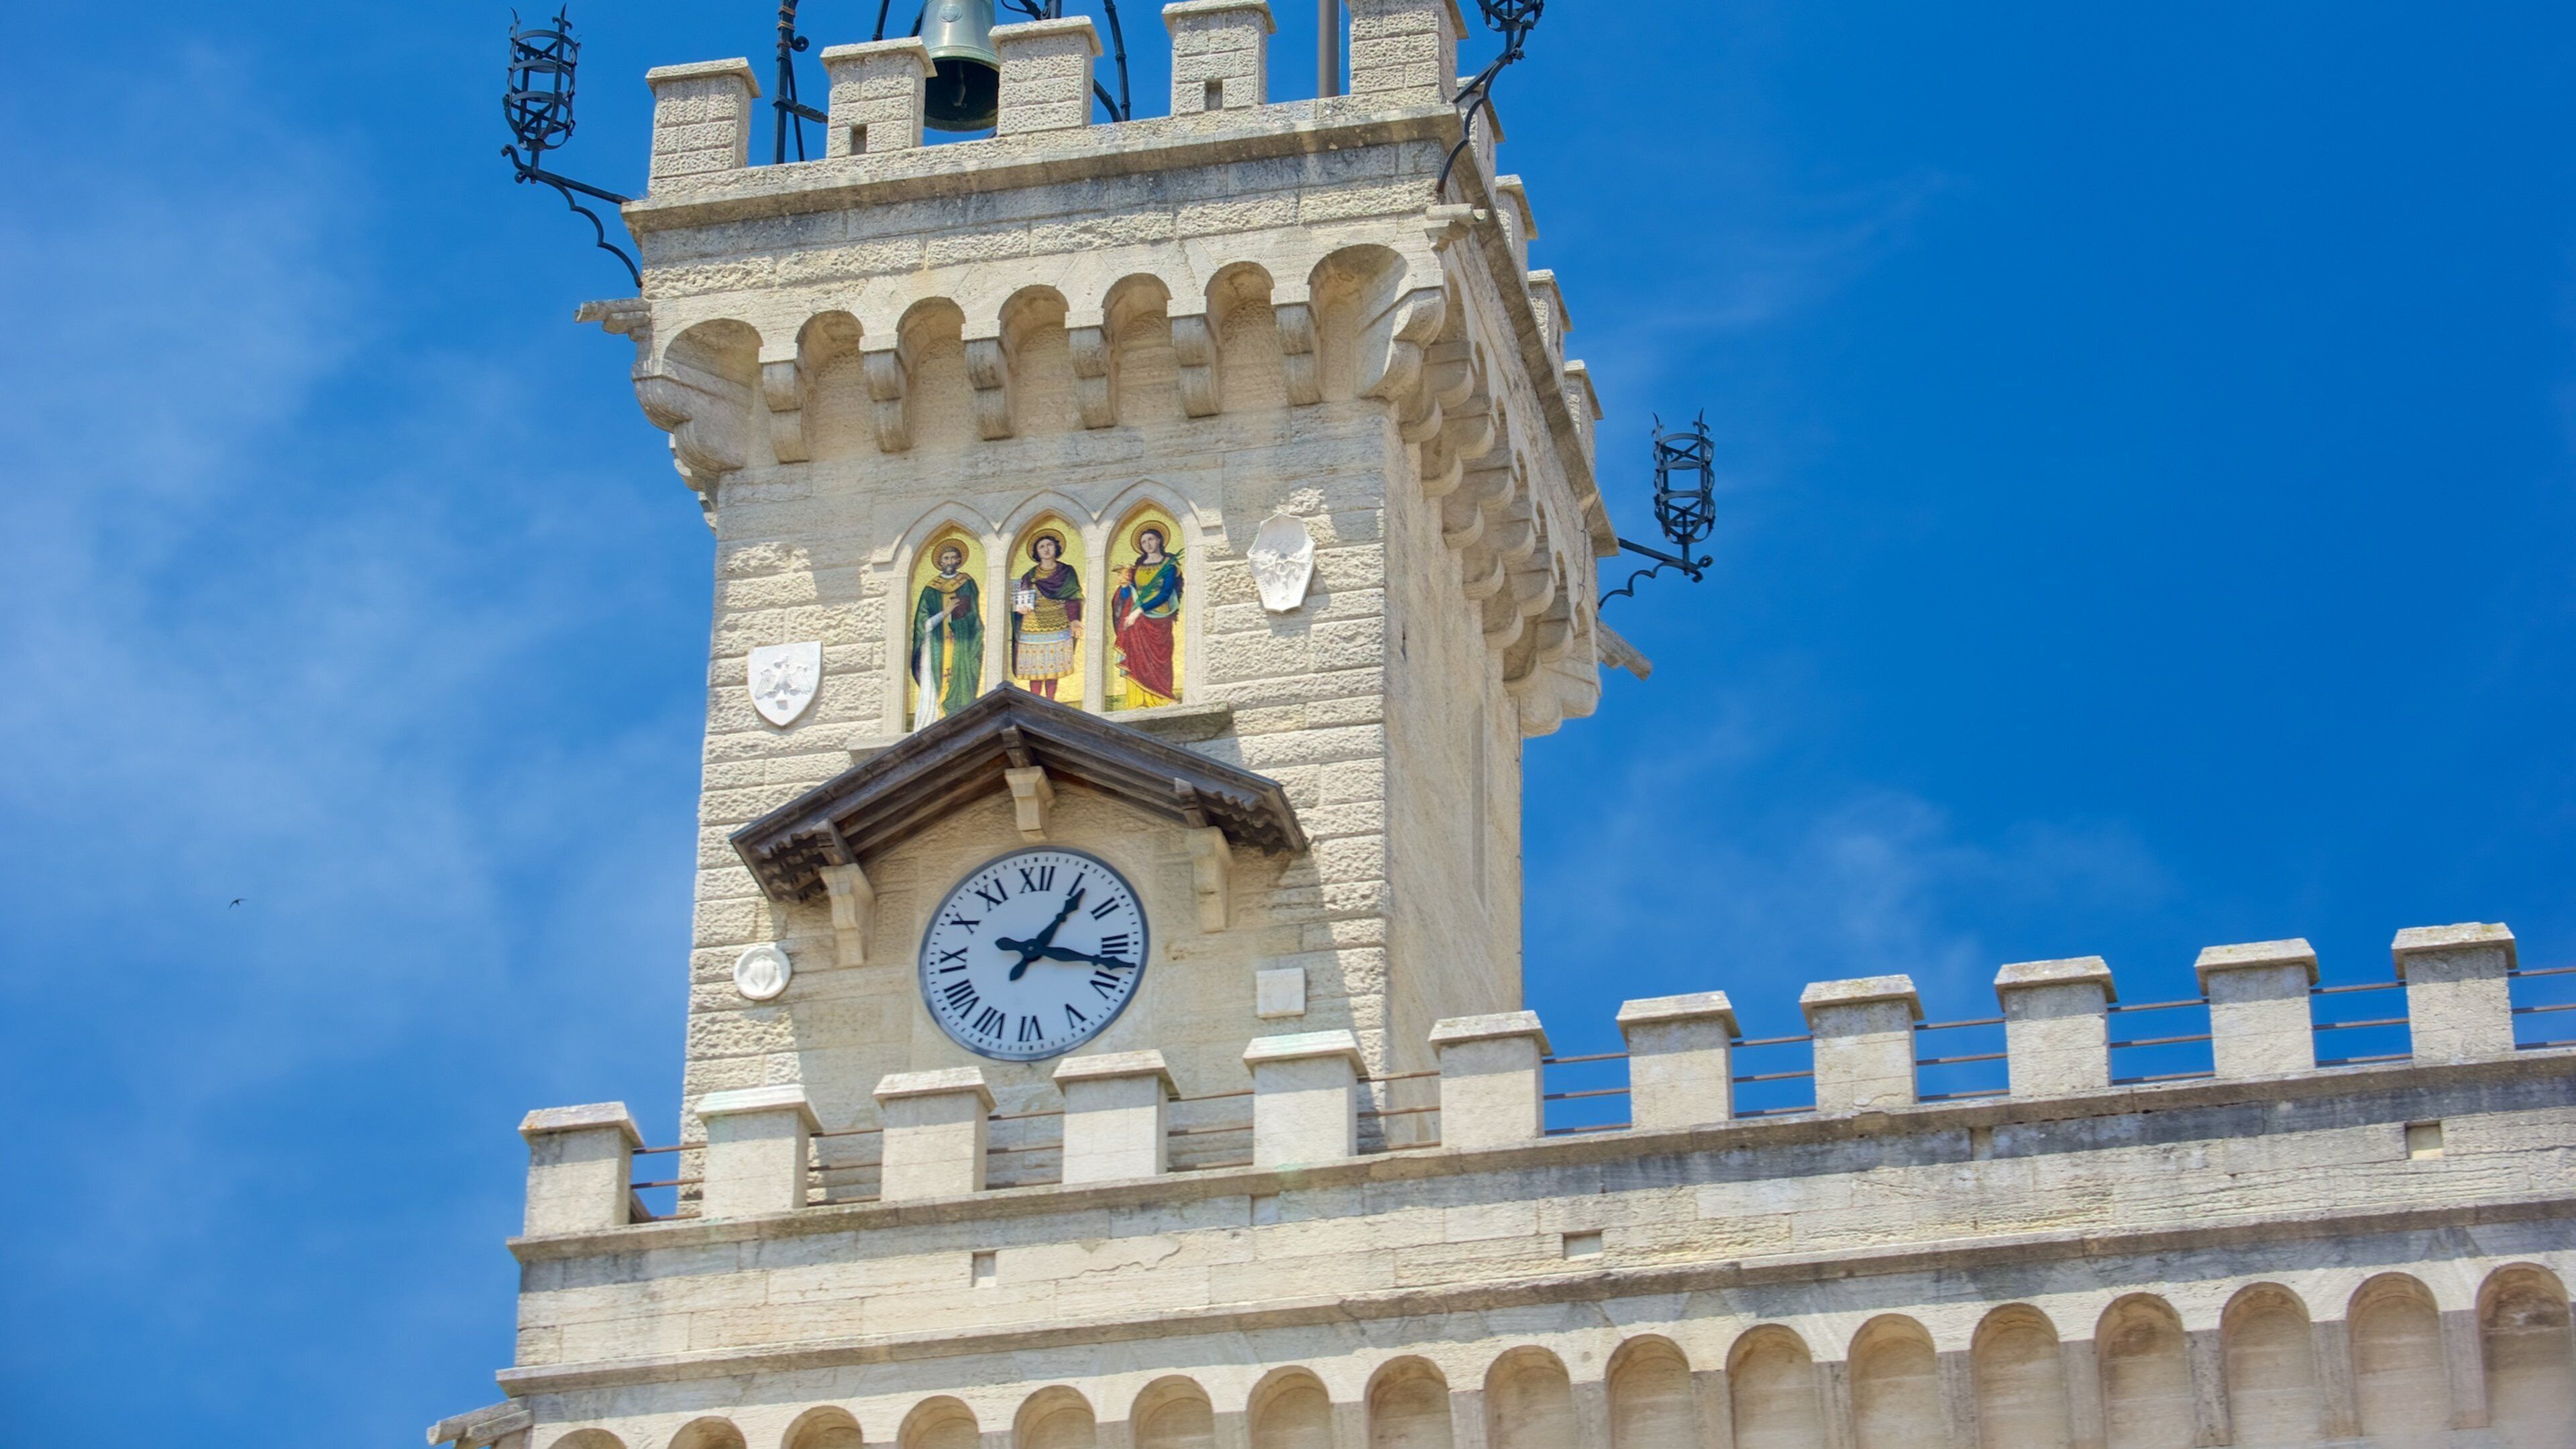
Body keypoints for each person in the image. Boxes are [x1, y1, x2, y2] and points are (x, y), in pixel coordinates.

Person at [908, 540, 983, 727]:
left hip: (961, 643)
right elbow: (923, 623)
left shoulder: (967, 583)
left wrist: (962, 621)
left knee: (962, 675)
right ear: (940, 562)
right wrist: (946, 612)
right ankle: (935, 718)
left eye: (953, 557)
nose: (950, 561)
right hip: (936, 645)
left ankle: (962, 716)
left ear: (959, 560)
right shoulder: (930, 588)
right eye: (946, 558)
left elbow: (974, 615)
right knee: (935, 679)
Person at [1112, 524, 1182, 707]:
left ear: (1159, 540)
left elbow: (1166, 593)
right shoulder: (1137, 568)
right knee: (1136, 658)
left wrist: (1141, 609)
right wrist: (1125, 588)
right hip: (1136, 620)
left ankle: (1164, 696)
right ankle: (1137, 701)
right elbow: (1128, 596)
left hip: (1160, 616)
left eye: (1151, 539)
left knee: (1161, 658)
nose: (1148, 544)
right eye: (1143, 542)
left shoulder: (1169, 566)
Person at [1011, 531, 1083, 700]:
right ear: (1037, 552)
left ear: (1057, 548)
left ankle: (1051, 700)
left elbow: (1073, 595)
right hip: (1033, 625)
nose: (1046, 549)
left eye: (1049, 545)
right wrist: (1021, 609)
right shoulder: (1029, 575)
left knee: (1053, 667)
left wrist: (1074, 619)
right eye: (1042, 546)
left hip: (1058, 622)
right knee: (1035, 668)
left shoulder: (1067, 572)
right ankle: (1035, 700)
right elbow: (1021, 597)